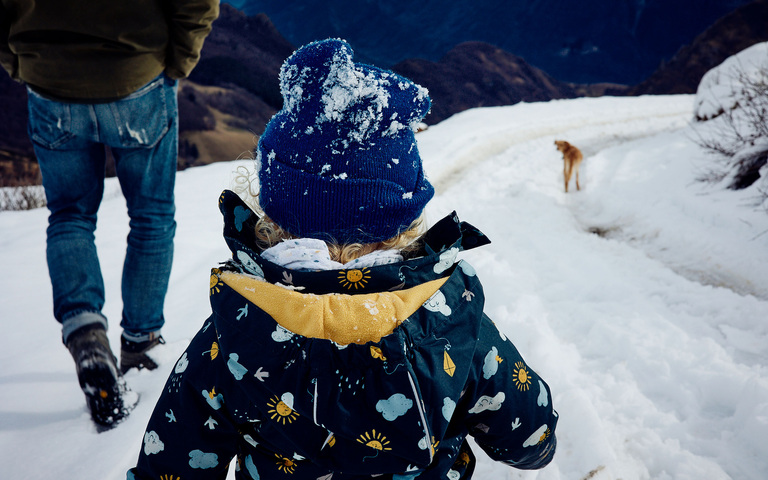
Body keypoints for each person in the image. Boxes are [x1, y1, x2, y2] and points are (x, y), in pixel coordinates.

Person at [127, 39, 558, 479]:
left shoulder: (232, 332)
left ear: (273, 212)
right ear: (403, 216)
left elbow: (168, 469)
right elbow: (532, 441)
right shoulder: (453, 322)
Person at [0, 0, 219, 429]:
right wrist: (176, 61)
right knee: (151, 216)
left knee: (69, 214)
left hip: (49, 76)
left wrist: (20, 61)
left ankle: (85, 332)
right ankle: (140, 345)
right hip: (136, 72)